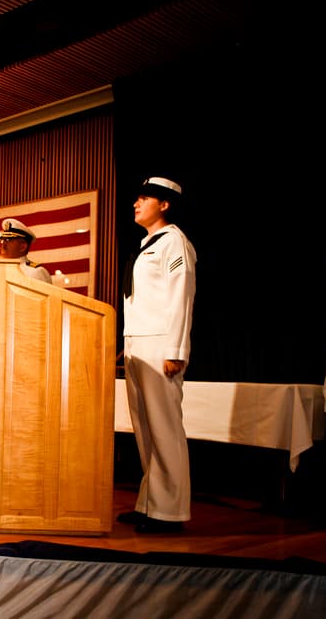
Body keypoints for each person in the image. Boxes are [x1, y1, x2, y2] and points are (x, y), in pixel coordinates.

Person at [118, 176, 197, 534]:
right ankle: (150, 504)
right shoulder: (148, 243)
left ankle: (170, 512)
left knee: (165, 430)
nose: (136, 203)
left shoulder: (175, 243)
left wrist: (176, 350)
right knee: (146, 431)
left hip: (161, 344)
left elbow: (181, 297)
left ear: (164, 205)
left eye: (144, 198)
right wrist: (127, 342)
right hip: (138, 343)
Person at [0, 218, 51, 360]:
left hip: (20, 348)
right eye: (2, 240)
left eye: (8, 241)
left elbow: (44, 312)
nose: (2, 244)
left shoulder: (35, 272)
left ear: (23, 246)